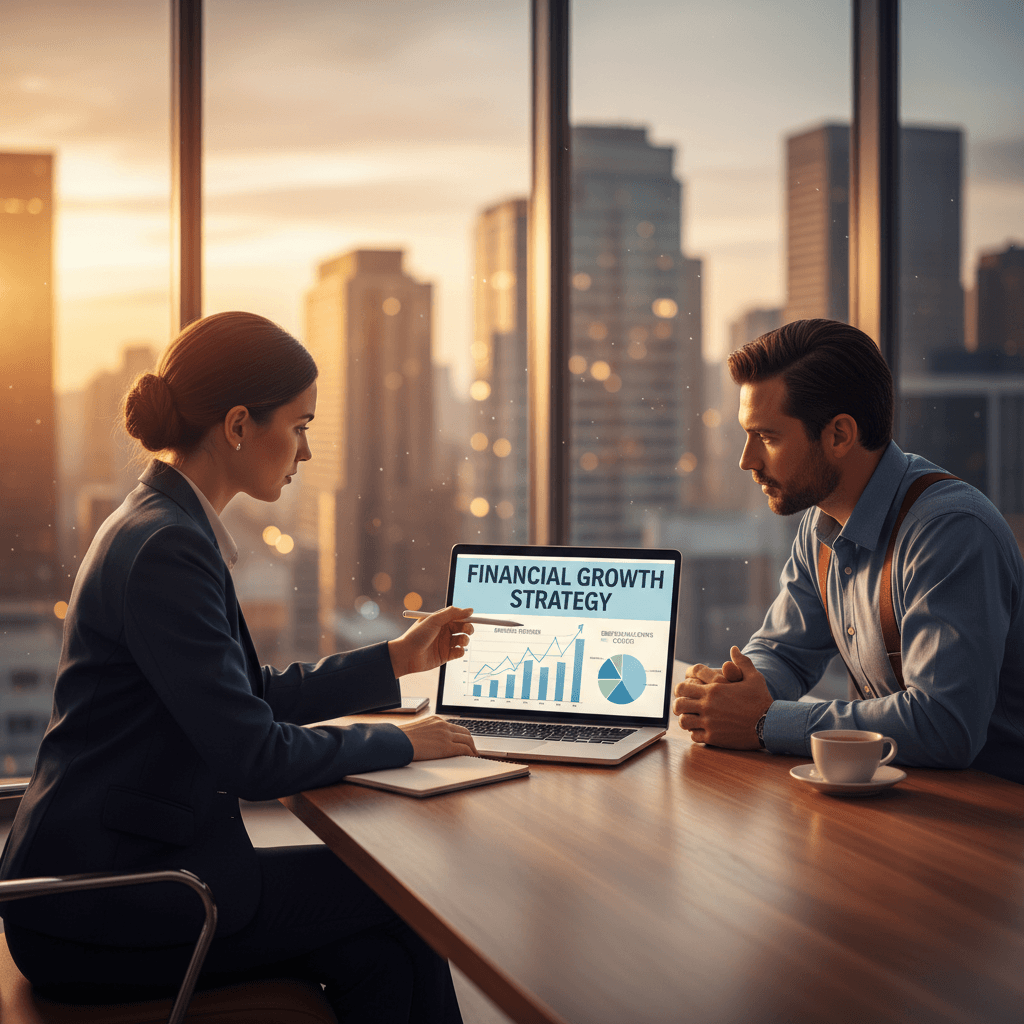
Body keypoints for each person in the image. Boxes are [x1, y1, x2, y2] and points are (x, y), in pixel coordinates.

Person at [0, 311, 477, 1021]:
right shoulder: (167, 547)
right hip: (104, 903)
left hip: (112, 877)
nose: (306, 451)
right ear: (237, 427)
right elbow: (253, 757)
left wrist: (399, 659)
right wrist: (403, 740)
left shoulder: (160, 519)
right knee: (403, 900)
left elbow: (244, 698)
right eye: (301, 424)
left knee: (376, 958)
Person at [673, 318, 1024, 784]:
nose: (747, 460)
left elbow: (945, 726)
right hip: (897, 793)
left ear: (839, 435)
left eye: (768, 437)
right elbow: (785, 650)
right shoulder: (820, 525)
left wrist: (762, 723)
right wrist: (737, 689)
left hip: (990, 814)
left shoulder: (949, 533)